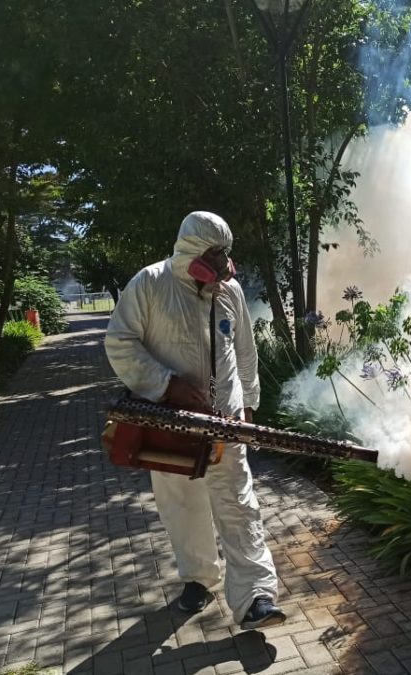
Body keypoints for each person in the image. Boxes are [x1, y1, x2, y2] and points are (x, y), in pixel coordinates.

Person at [104, 211, 285, 630]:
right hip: (170, 422)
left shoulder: (230, 291)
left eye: (226, 254)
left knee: (238, 504)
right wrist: (166, 385)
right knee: (182, 506)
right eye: (215, 254)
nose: (223, 265)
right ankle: (200, 579)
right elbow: (119, 341)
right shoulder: (149, 284)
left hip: (226, 418)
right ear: (191, 250)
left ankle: (255, 596)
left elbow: (244, 350)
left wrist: (250, 401)